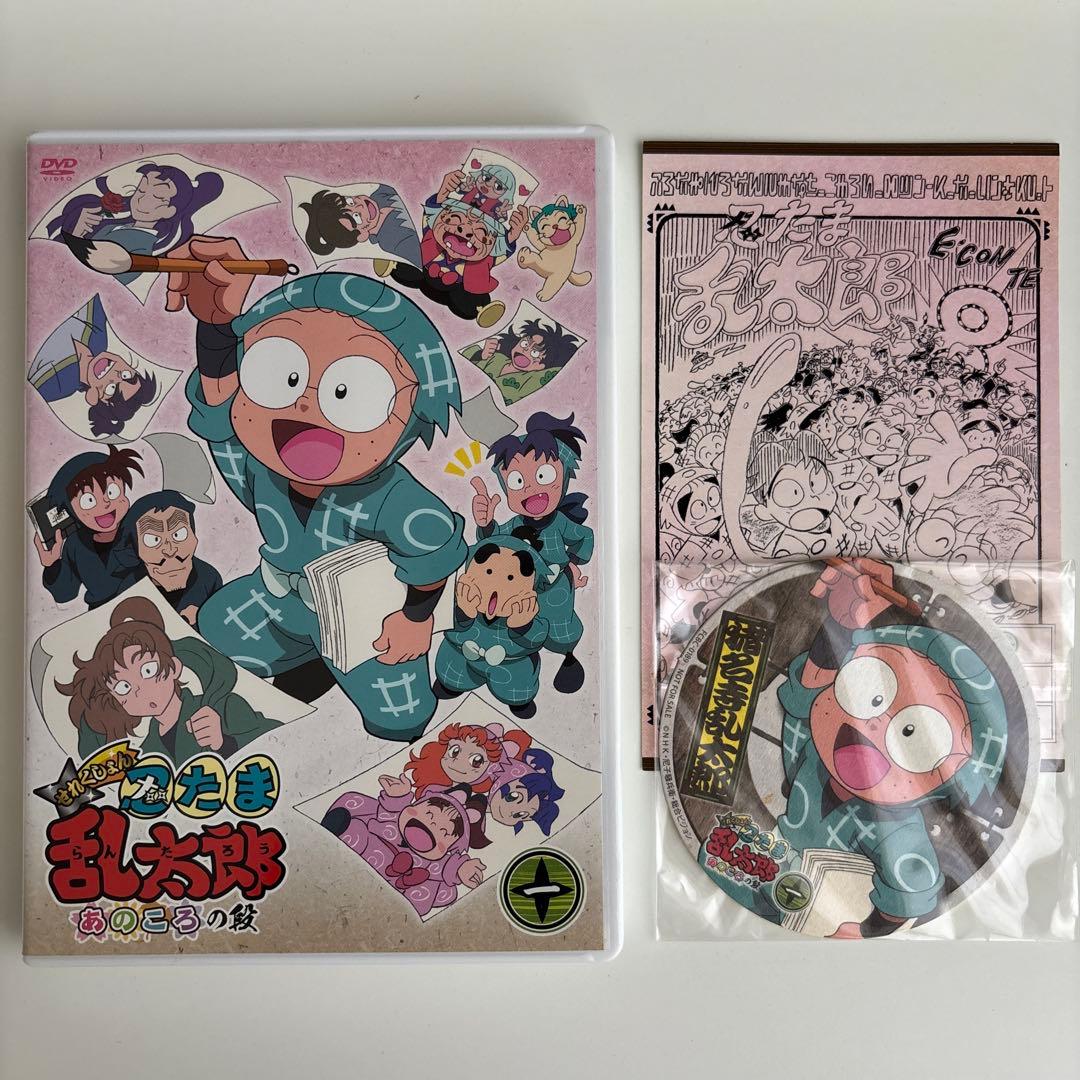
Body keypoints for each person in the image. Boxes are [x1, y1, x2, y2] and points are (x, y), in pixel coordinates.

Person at [165, 236, 468, 742]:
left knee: (402, 719)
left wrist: (416, 619)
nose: (305, 408)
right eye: (280, 375)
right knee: (216, 628)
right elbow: (221, 413)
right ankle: (305, 662)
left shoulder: (394, 498)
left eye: (350, 392)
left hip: (366, 626)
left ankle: (337, 671)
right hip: (279, 602)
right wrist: (217, 325)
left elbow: (434, 549)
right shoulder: (261, 468)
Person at [56, 596, 281, 763]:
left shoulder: (222, 707)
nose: (139, 690)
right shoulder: (146, 753)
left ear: (173, 667)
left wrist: (224, 743)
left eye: (147, 670)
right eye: (123, 687)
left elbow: (282, 738)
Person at [472, 413, 593, 694]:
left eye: (543, 476)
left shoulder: (560, 523)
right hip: (520, 588)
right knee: (520, 627)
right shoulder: (514, 524)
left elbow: (584, 537)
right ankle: (524, 667)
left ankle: (568, 657)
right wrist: (486, 523)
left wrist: (574, 563)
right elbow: (495, 543)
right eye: (516, 481)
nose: (530, 487)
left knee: (559, 627)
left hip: (555, 588)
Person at [46, 163, 224, 284]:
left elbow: (101, 283)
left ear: (169, 211)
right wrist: (76, 232)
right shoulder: (111, 226)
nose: (140, 199)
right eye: (141, 190)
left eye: (156, 196)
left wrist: (75, 236)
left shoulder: (142, 248)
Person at [35, 446, 145, 608]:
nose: (106, 503)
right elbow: (65, 593)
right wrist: (52, 565)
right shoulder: (75, 544)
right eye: (89, 501)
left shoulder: (140, 526)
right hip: (100, 613)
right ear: (71, 510)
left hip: (144, 603)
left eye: (112, 491)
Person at [116, 490, 223, 625]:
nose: (170, 550)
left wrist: (204, 618)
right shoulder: (130, 589)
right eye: (153, 540)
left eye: (179, 534)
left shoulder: (209, 578)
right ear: (135, 548)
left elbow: (222, 624)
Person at [462, 318, 580, 405]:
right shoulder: (497, 358)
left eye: (535, 352)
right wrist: (481, 354)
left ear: (541, 366)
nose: (525, 350)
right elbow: (464, 361)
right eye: (525, 343)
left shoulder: (531, 380)